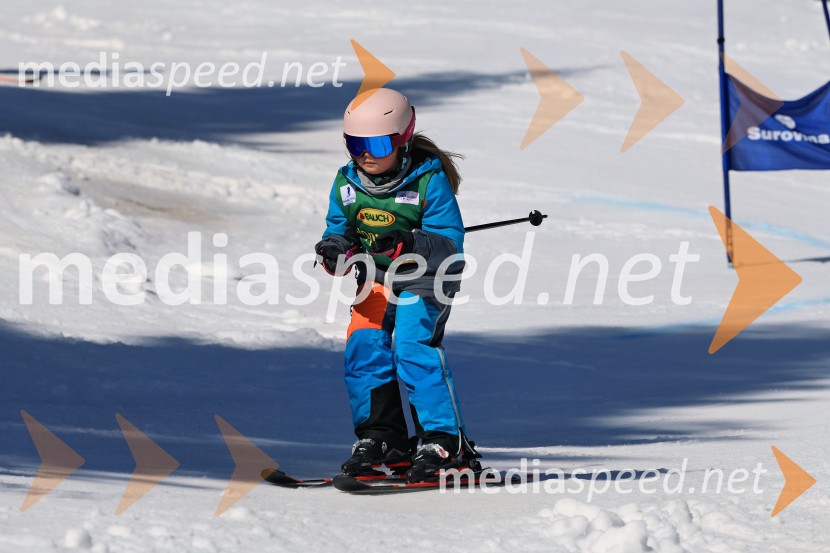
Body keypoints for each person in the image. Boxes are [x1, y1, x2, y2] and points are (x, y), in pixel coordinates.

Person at [314, 88, 480, 483]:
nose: (364, 154)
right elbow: (338, 229)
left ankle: (443, 442)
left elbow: (449, 243)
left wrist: (412, 243)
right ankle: (382, 438)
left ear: (402, 138)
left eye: (376, 144)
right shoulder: (347, 182)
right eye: (355, 144)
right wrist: (335, 250)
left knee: (411, 348)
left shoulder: (427, 182)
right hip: (374, 277)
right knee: (363, 349)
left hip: (425, 278)